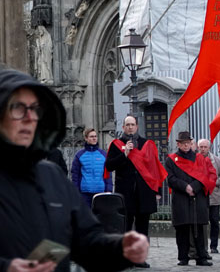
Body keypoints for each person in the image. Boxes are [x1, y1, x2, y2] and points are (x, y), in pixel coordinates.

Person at [0, 68, 150, 272]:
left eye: (35, 108)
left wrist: (120, 248)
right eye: (18, 108)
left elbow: (86, 241)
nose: (30, 117)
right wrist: (7, 267)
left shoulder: (51, 176)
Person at [104, 115, 166, 269]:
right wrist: (124, 155)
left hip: (144, 192)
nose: (130, 127)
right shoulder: (116, 145)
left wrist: (157, 190)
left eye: (132, 124)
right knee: (125, 226)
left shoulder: (147, 144)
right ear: (123, 127)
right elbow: (109, 166)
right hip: (125, 193)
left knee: (142, 227)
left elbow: (154, 169)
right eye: (127, 125)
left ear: (137, 126)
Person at [165, 131, 217, 267]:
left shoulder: (199, 158)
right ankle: (183, 257)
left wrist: (194, 187)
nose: (186, 145)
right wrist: (185, 187)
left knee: (199, 228)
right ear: (178, 144)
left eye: (188, 143)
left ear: (191, 143)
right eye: (183, 143)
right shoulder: (171, 160)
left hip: (197, 196)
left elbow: (206, 176)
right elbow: (170, 179)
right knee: (182, 229)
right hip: (181, 197)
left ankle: (201, 256)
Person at [197, 138, 220, 254]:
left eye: (205, 147)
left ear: (209, 148)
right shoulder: (194, 159)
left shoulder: (216, 160)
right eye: (201, 147)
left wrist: (213, 182)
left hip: (213, 196)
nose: (203, 149)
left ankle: (214, 246)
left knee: (214, 221)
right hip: (200, 196)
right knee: (201, 222)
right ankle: (202, 246)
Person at [71, 127, 113, 207]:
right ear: (86, 138)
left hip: (101, 192)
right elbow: (75, 175)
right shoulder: (79, 155)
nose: (94, 138)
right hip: (85, 193)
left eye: (95, 136)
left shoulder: (103, 154)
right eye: (91, 136)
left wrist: (109, 190)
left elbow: (108, 174)